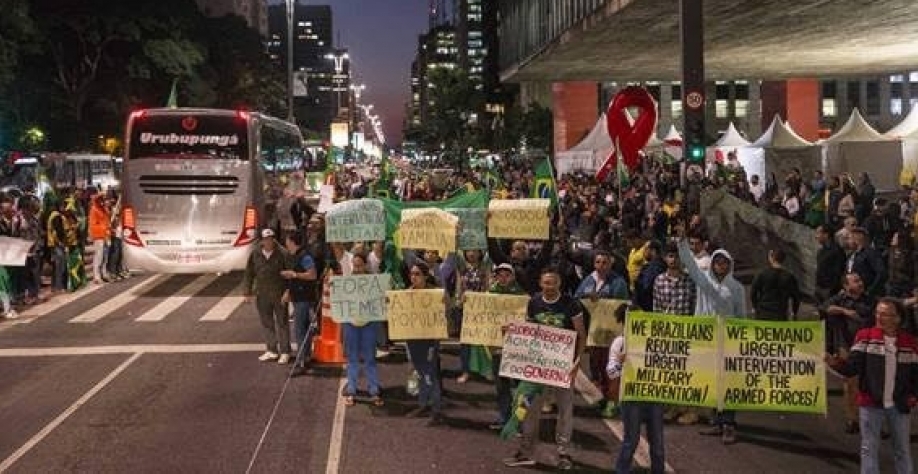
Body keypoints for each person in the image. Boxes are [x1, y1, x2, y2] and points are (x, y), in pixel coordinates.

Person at [504, 266, 586, 470]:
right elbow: (530, 330)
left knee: (565, 410)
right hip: (539, 366)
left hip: (563, 367)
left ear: (560, 284)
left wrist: (577, 362)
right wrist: (512, 332)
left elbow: (581, 335)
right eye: (546, 283)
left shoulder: (571, 304)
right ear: (541, 284)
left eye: (554, 282)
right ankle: (526, 451)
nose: (549, 286)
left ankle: (563, 452)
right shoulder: (534, 302)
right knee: (530, 408)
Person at [827, 298, 918, 474]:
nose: (879, 317)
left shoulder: (910, 343)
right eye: (878, 313)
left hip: (899, 405)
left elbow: (916, 375)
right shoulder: (865, 337)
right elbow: (851, 368)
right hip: (870, 403)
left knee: (902, 450)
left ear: (897, 318)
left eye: (885, 314)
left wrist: (912, 396)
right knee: (868, 449)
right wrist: (835, 363)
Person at [677, 230, 747, 445]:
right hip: (705, 339)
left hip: (727, 341)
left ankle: (729, 425)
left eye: (724, 263)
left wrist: (740, 339)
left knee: (727, 383)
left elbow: (741, 315)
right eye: (717, 263)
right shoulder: (704, 282)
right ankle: (716, 421)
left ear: (729, 265)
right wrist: (681, 243)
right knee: (711, 380)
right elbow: (689, 264)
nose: (720, 266)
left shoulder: (735, 288)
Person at [609, 305, 665, 474]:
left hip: (654, 397)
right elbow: (611, 373)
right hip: (632, 400)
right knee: (631, 441)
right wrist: (620, 362)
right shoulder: (620, 343)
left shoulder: (656, 340)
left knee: (658, 443)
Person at [821, 272, 876, 434]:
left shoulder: (870, 300)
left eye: (860, 280)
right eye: (856, 281)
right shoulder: (840, 300)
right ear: (846, 286)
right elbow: (824, 307)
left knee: (870, 385)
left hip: (868, 347)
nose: (860, 283)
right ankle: (852, 419)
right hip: (847, 347)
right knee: (850, 385)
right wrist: (845, 311)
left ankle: (871, 420)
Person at [404, 261, 446, 426]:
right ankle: (423, 404)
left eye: (417, 274)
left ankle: (436, 410)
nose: (413, 277)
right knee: (420, 373)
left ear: (425, 276)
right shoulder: (406, 294)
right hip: (413, 339)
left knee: (430, 375)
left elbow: (446, 308)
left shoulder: (434, 293)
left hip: (429, 340)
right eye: (412, 274)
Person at [244, 228, 293, 364]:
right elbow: (249, 273)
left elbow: (290, 273)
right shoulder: (256, 253)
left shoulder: (283, 253)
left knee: (282, 323)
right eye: (266, 239)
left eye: (271, 238)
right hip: (262, 293)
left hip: (279, 294)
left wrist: (288, 291)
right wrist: (247, 291)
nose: (269, 241)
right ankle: (271, 350)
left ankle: (285, 351)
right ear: (262, 240)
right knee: (267, 322)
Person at [340, 252, 383, 407]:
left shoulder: (374, 282)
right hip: (351, 323)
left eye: (359, 265)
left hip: (369, 323)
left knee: (370, 357)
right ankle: (351, 389)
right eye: (355, 265)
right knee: (352, 358)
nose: (357, 268)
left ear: (365, 265)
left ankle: (374, 389)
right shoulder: (346, 281)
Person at [486, 263, 526, 430]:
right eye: (499, 274)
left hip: (517, 348)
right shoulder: (489, 295)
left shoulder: (522, 296)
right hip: (497, 347)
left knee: (519, 387)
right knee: (501, 385)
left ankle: (520, 420)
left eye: (506, 274)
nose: (503, 278)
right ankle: (505, 417)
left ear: (513, 276)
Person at [281, 230, 317, 376]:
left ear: (292, 242)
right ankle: (306, 357)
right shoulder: (297, 256)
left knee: (300, 330)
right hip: (299, 296)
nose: (286, 244)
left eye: (287, 241)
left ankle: (301, 361)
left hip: (303, 298)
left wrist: (294, 274)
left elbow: (312, 274)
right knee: (304, 329)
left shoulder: (304, 256)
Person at [749, 248, 801, 320]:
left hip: (763, 313)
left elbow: (753, 292)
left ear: (771, 258)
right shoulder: (790, 277)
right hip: (780, 314)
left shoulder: (762, 274)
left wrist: (755, 307)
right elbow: (796, 297)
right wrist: (794, 312)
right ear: (784, 259)